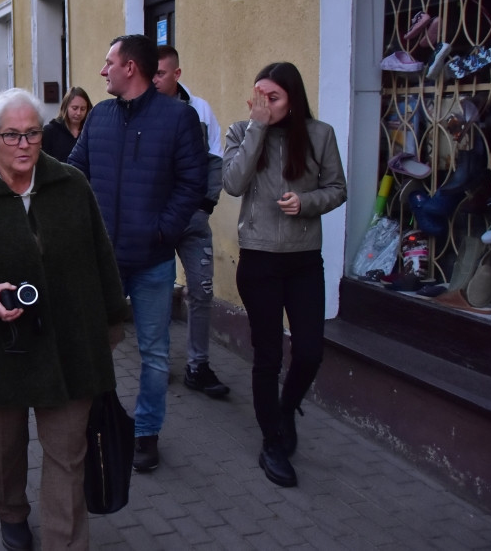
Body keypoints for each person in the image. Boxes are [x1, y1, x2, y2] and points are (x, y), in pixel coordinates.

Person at [0, 88, 128, 551]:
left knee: (68, 458)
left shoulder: (71, 186)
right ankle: (11, 512)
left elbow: (101, 258)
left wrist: (112, 324)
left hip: (69, 347)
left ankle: (64, 543)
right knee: (2, 450)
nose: (23, 144)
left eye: (31, 132)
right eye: (11, 135)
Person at [68, 34, 207, 473]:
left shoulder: (179, 118)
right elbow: (75, 172)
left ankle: (146, 433)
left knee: (155, 353)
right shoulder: (100, 117)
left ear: (131, 68)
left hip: (152, 261)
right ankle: (90, 425)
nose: (102, 70)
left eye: (109, 62)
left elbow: (192, 184)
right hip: (103, 260)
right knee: (93, 348)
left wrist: (162, 231)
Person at [223, 61, 347, 488]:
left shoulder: (319, 134)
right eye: (259, 95)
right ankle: (272, 442)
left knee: (310, 351)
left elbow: (338, 188)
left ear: (292, 98)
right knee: (268, 356)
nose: (263, 104)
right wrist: (257, 127)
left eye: (272, 97)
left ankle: (285, 408)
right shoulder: (241, 131)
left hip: (303, 260)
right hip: (259, 260)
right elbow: (234, 184)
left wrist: (307, 202)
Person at [152, 45, 230, 398]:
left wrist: (206, 205)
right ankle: (157, 362)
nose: (153, 80)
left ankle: (198, 365)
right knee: (155, 290)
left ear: (177, 74)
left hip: (193, 219)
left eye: (160, 74)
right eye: (150, 73)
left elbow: (215, 157)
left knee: (201, 291)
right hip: (155, 221)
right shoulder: (142, 109)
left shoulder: (199, 110)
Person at [41, 86, 92, 162]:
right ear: (65, 107)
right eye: (75, 108)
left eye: (83, 109)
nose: (78, 113)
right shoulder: (49, 132)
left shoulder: (90, 132)